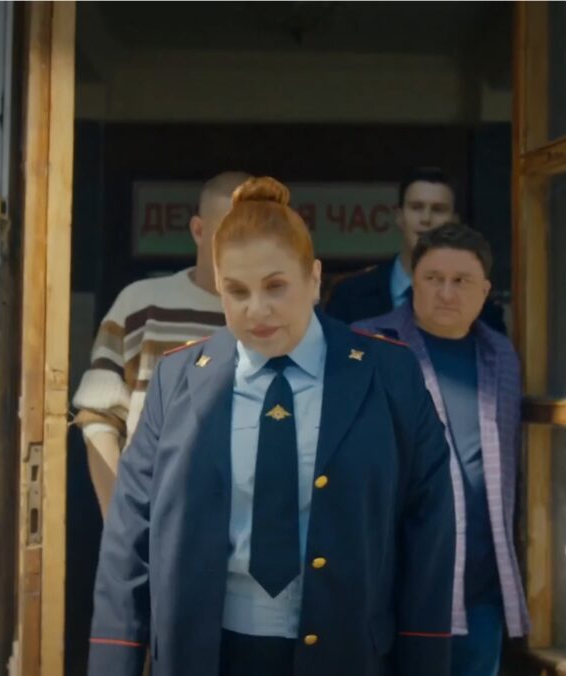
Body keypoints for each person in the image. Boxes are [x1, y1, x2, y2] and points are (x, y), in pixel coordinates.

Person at [89, 177, 456, 676]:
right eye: (236, 291)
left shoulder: (387, 374)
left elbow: (429, 530)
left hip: (348, 654)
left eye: (276, 286)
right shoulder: (178, 380)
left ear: (314, 278)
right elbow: (130, 538)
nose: (256, 310)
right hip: (208, 654)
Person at [354, 223, 530, 676]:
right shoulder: (366, 346)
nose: (446, 292)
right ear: (413, 281)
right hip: (393, 589)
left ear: (485, 290)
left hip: (480, 592)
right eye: (433, 278)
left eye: (461, 280)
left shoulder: (501, 355)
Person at [71, 171, 251, 515]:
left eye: (254, 233)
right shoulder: (142, 304)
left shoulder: (277, 316)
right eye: (229, 233)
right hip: (156, 520)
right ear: (198, 231)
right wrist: (121, 524)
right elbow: (99, 418)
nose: (242, 246)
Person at [324, 167, 506, 333]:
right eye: (416, 207)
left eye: (438, 209)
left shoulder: (481, 308)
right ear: (399, 216)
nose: (426, 218)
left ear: (454, 221)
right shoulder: (349, 296)